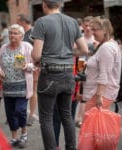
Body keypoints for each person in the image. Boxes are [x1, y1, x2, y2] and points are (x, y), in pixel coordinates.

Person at [31, 0, 88, 150]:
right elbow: (84, 49)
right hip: (68, 73)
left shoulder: (41, 22)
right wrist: (68, 53)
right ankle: (71, 148)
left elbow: (36, 55)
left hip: (50, 73)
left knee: (46, 118)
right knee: (67, 115)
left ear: (44, 4)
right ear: (60, 4)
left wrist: (38, 57)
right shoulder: (72, 22)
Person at [0, 24, 34, 148]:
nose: (12, 35)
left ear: (22, 36)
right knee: (10, 113)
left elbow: (35, 65)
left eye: (15, 33)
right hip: (7, 87)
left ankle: (24, 133)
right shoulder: (3, 48)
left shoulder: (27, 47)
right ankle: (14, 137)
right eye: (11, 33)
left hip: (22, 86)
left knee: (20, 111)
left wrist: (27, 66)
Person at [82, 16, 122, 113]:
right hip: (100, 94)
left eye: (94, 30)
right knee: (95, 126)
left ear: (104, 30)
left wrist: (99, 96)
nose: (92, 32)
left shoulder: (106, 47)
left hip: (98, 95)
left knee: (90, 126)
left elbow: (104, 74)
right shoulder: (109, 44)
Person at [16, 14, 39, 126]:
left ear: (22, 22)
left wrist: (36, 66)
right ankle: (21, 114)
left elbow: (39, 50)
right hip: (20, 65)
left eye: (18, 21)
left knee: (33, 89)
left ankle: (31, 115)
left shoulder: (34, 32)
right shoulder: (20, 33)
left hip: (33, 66)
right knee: (22, 88)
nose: (16, 24)